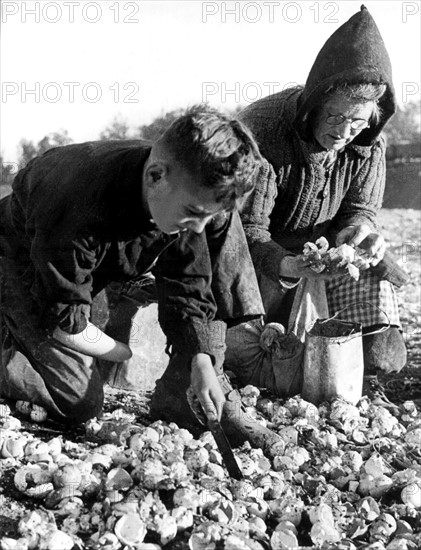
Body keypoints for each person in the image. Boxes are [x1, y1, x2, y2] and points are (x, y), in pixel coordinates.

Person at [0, 105, 283, 451]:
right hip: (23, 258)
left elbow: (188, 284)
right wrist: (120, 351)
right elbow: (66, 311)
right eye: (194, 214)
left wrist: (200, 358)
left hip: (90, 267)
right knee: (79, 402)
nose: (198, 229)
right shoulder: (77, 196)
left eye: (206, 219)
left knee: (98, 332)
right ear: (155, 176)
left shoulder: (184, 197)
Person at [237, 6, 408, 404]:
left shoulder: (366, 141)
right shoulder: (264, 131)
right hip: (256, 254)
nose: (344, 132)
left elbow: (358, 212)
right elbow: (249, 230)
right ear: (314, 103)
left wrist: (359, 233)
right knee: (266, 353)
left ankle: (355, 359)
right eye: (335, 116)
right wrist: (288, 265)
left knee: (387, 356)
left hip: (323, 252)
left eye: (358, 122)